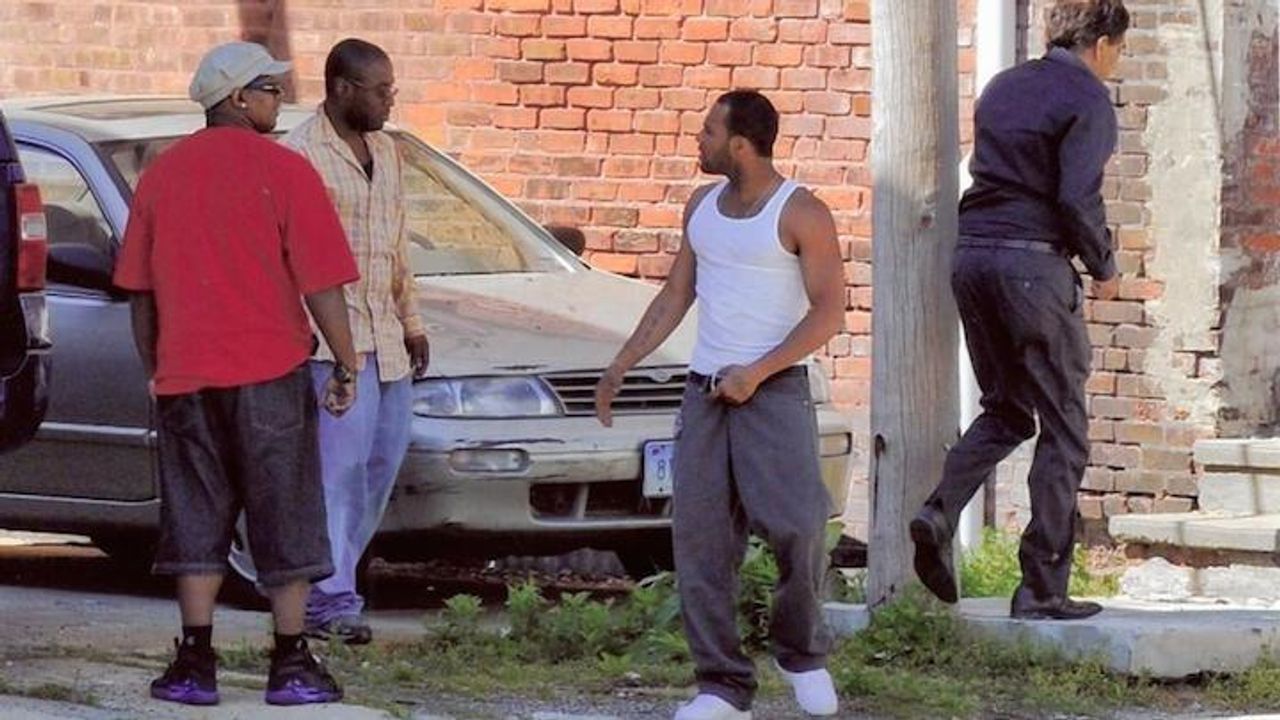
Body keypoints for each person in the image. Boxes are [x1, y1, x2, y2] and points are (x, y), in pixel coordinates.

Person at [114, 41, 362, 706]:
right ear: (238, 99)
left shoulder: (161, 177)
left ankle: (194, 663)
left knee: (196, 515)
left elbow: (141, 292)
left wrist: (157, 369)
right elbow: (322, 283)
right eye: (270, 90)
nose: (279, 100)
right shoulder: (285, 172)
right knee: (285, 510)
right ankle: (291, 663)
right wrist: (347, 360)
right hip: (271, 370)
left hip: (186, 377)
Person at [596, 90, 845, 720]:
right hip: (705, 393)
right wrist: (621, 364)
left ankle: (801, 653)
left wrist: (756, 373)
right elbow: (675, 295)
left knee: (798, 527)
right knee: (701, 542)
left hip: (775, 390)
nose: (697, 141)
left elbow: (828, 315)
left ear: (740, 144)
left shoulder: (802, 212)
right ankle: (722, 687)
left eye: (707, 132)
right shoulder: (701, 207)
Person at [910, 0, 1129, 621]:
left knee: (1007, 410)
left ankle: (939, 511)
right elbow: (1076, 197)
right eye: (1119, 51)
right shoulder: (1088, 100)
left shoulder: (1003, 87)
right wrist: (1105, 265)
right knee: (1064, 427)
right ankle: (1040, 590)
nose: (1116, 62)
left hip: (973, 260)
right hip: (1033, 270)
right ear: (1103, 44)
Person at [282, 38, 429, 646]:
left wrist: (412, 322)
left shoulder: (388, 151)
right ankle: (330, 597)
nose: (390, 100)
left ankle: (333, 584)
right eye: (381, 90)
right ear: (343, 89)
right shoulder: (300, 154)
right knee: (335, 476)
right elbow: (292, 256)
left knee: (377, 470)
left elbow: (396, 246)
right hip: (332, 345)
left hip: (387, 339)